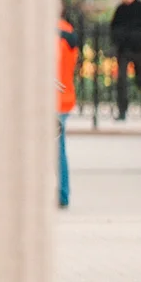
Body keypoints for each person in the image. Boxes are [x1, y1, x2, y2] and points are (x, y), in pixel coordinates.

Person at [57, 13, 79, 208]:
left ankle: (62, 193)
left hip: (53, 99)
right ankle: (62, 193)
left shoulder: (53, 34)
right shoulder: (67, 31)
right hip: (64, 97)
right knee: (59, 147)